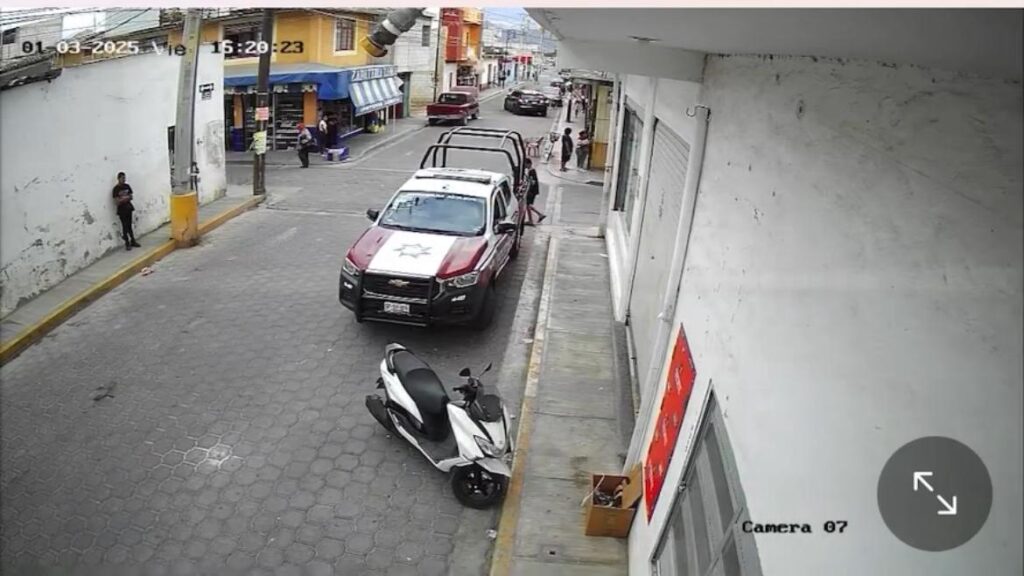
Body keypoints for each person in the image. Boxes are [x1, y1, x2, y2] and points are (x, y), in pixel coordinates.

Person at [111, 172, 140, 251]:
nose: (124, 180)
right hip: (122, 210)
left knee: (129, 225)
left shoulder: (127, 186)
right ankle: (127, 243)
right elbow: (117, 201)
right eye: (122, 178)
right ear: (118, 178)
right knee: (124, 226)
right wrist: (125, 198)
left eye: (124, 178)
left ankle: (133, 240)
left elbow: (131, 197)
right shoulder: (116, 189)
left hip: (129, 208)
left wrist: (123, 199)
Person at [524, 158, 546, 226]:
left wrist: (527, 189)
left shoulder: (531, 171)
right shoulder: (531, 171)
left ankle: (534, 218)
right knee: (528, 205)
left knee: (528, 205)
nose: (524, 166)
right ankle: (537, 216)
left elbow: (532, 182)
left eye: (525, 164)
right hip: (533, 190)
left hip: (531, 191)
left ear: (529, 164)